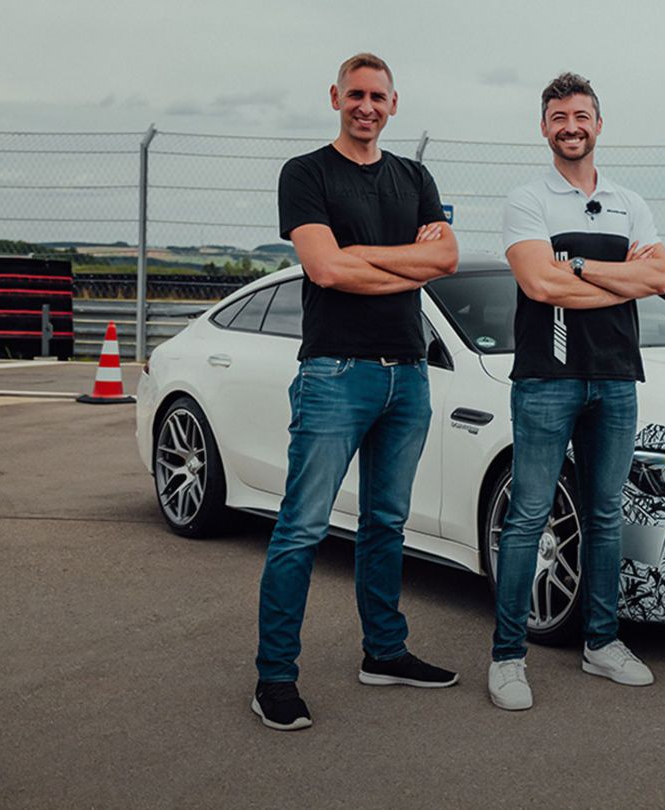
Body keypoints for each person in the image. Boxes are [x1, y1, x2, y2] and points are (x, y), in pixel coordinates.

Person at [253, 53, 460, 731]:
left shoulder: (414, 176)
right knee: (301, 528)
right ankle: (275, 678)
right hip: (335, 373)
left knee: (385, 525)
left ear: (394, 105)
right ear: (335, 97)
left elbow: (446, 260)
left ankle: (386, 653)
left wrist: (359, 258)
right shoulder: (306, 173)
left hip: (408, 373)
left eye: (379, 96)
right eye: (356, 94)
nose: (366, 105)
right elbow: (322, 268)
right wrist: (402, 261)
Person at [488, 72, 665, 711]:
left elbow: (659, 278)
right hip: (547, 378)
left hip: (617, 377)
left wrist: (583, 267)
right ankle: (508, 656)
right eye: (559, 116)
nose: (572, 126)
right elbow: (541, 287)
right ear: (545, 127)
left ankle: (602, 643)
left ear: (599, 123)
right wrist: (621, 279)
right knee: (528, 517)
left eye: (582, 115)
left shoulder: (629, 201)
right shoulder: (526, 200)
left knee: (604, 515)